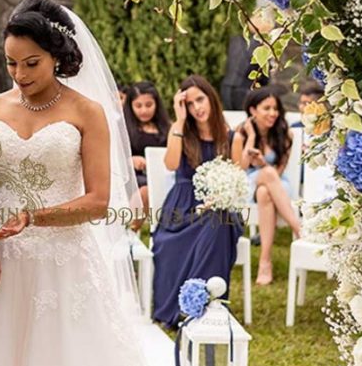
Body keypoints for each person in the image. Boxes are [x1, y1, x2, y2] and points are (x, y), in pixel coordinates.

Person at [0, 0, 154, 366]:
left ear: (56, 56)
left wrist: (33, 218)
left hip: (63, 265)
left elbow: (98, 203)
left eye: (31, 63)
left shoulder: (87, 112)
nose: (19, 74)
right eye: (11, 63)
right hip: (3, 260)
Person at [151, 75, 243, 330]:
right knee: (167, 244)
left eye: (200, 99)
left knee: (218, 225)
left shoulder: (232, 138)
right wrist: (179, 120)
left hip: (219, 206)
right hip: (181, 207)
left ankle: (203, 306)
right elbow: (170, 164)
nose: (196, 108)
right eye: (189, 104)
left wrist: (217, 199)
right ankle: (185, 306)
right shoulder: (180, 131)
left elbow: (236, 182)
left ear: (210, 97)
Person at [232, 86, 300, 285]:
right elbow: (238, 170)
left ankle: (265, 262)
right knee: (264, 181)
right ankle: (299, 228)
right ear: (253, 110)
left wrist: (263, 164)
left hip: (277, 185)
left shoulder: (284, 134)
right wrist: (251, 138)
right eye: (267, 108)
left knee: (264, 192)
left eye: (275, 108)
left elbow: (278, 170)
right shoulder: (240, 134)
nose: (273, 113)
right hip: (246, 184)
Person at [123, 81, 171, 228]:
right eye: (138, 106)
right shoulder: (124, 129)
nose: (144, 110)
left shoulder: (167, 128)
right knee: (144, 191)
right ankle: (130, 229)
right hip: (132, 178)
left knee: (150, 188)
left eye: (148, 105)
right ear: (130, 106)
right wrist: (129, 160)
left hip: (160, 176)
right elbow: (111, 157)